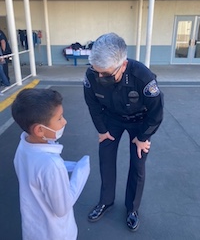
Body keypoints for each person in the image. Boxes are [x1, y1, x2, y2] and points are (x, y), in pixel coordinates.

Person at [83, 32, 164, 231]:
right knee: (106, 158)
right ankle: (106, 201)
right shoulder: (92, 74)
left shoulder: (142, 77)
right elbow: (92, 104)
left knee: (138, 164)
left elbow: (156, 113)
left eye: (107, 74)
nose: (100, 77)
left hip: (140, 121)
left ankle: (132, 209)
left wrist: (144, 137)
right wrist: (101, 130)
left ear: (123, 65)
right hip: (111, 120)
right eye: (97, 72)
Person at [12, 88, 90, 240]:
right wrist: (81, 172)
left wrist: (70, 166)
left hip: (33, 230)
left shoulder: (23, 146)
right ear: (40, 130)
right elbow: (62, 208)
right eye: (60, 118)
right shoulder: (52, 165)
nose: (65, 121)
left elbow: (36, 173)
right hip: (57, 234)